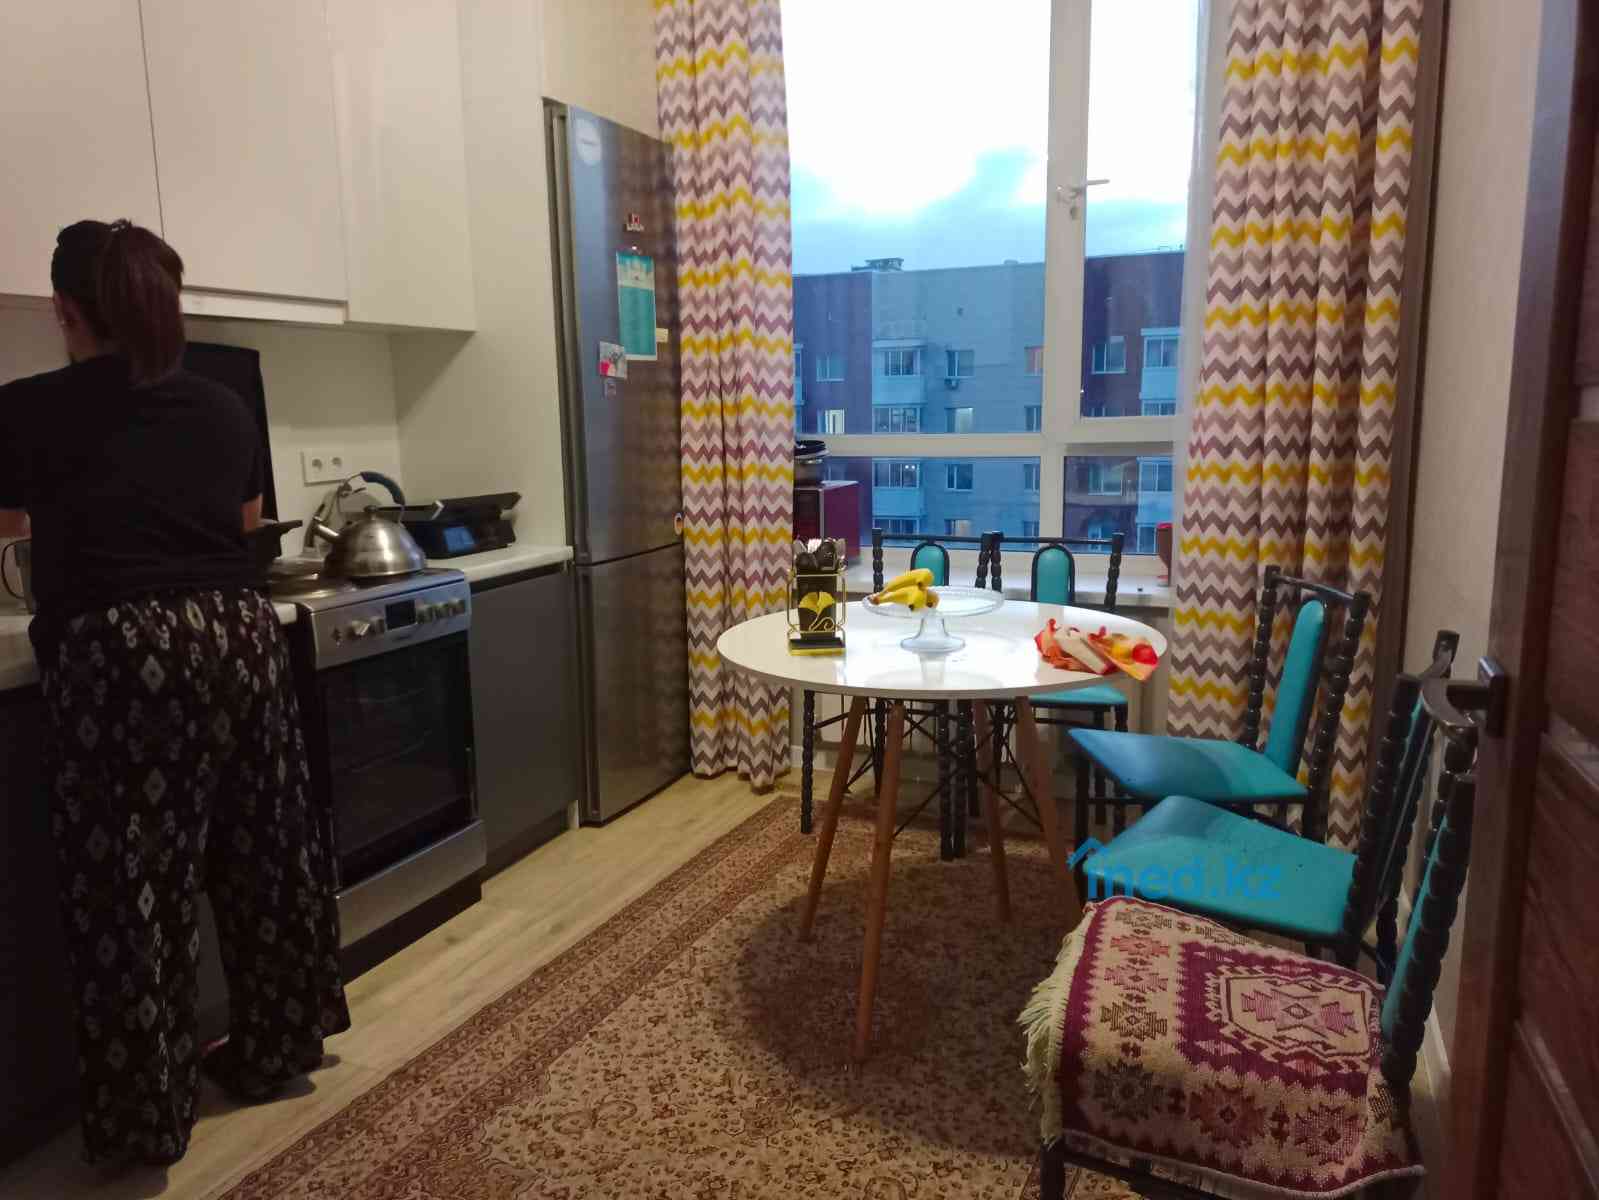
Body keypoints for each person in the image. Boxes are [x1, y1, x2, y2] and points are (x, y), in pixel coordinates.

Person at [0, 220, 350, 1167]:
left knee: (132, 890)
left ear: (67, 311)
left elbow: (11, 517)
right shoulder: (224, 403)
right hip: (237, 633)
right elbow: (244, 520)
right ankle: (277, 1047)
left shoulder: (29, 410)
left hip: (124, 654)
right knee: (263, 854)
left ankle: (148, 1119)